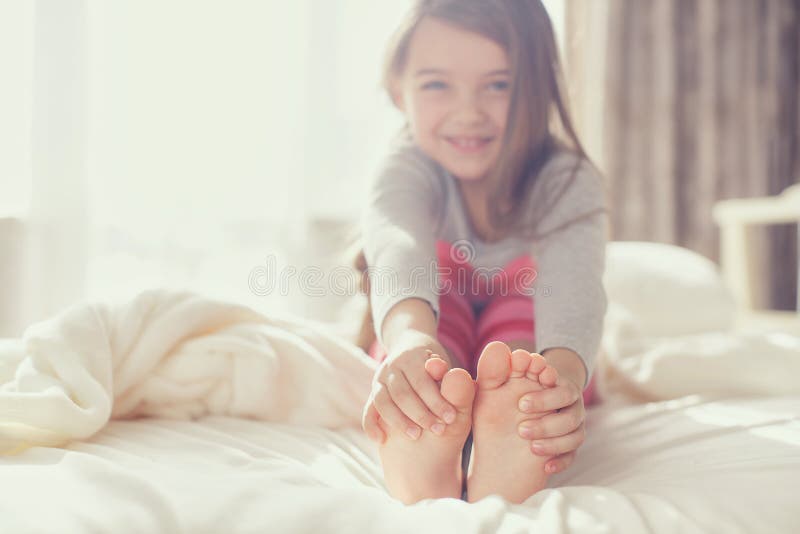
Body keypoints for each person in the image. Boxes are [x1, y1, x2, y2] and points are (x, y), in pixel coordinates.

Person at [355, 0, 608, 505]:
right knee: (423, 343)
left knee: (524, 351)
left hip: (535, 324)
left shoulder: (567, 179)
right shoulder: (404, 167)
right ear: (397, 91)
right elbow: (399, 249)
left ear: (538, 90)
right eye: (436, 84)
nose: (468, 112)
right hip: (433, 313)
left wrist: (559, 378)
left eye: (499, 84)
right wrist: (410, 341)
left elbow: (575, 282)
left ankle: (516, 429)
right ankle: (421, 438)